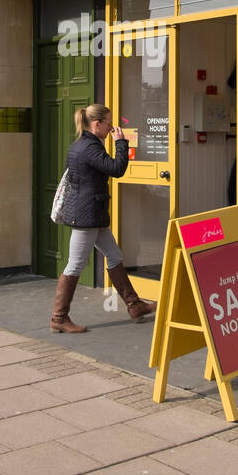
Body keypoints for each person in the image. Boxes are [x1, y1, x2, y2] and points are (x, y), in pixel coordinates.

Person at [50, 103, 156, 334]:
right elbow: (117, 169)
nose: (111, 128)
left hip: (92, 214)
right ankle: (59, 317)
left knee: (114, 256)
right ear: (97, 124)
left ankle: (134, 305)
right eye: (108, 123)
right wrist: (121, 142)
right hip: (86, 216)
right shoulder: (88, 148)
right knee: (75, 264)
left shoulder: (82, 145)